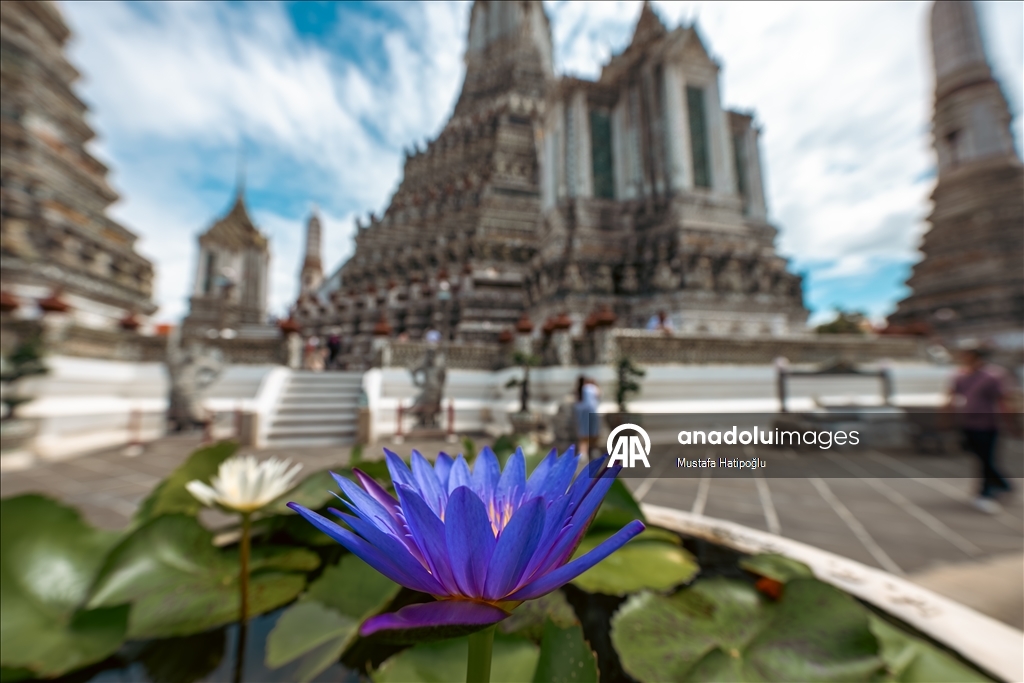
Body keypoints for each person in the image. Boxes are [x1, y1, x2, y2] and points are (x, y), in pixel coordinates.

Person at [947, 343, 1017, 514]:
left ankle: (985, 492)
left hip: (988, 423)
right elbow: (951, 396)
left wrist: (1011, 423)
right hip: (968, 422)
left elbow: (1004, 399)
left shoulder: (993, 375)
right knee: (979, 456)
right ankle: (1002, 483)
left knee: (986, 458)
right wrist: (947, 417)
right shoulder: (961, 375)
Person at [574, 376, 601, 459]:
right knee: (593, 432)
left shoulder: (581, 389)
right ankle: (593, 450)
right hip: (592, 411)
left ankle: (583, 452)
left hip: (582, 412)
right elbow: (599, 394)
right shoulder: (593, 388)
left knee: (584, 432)